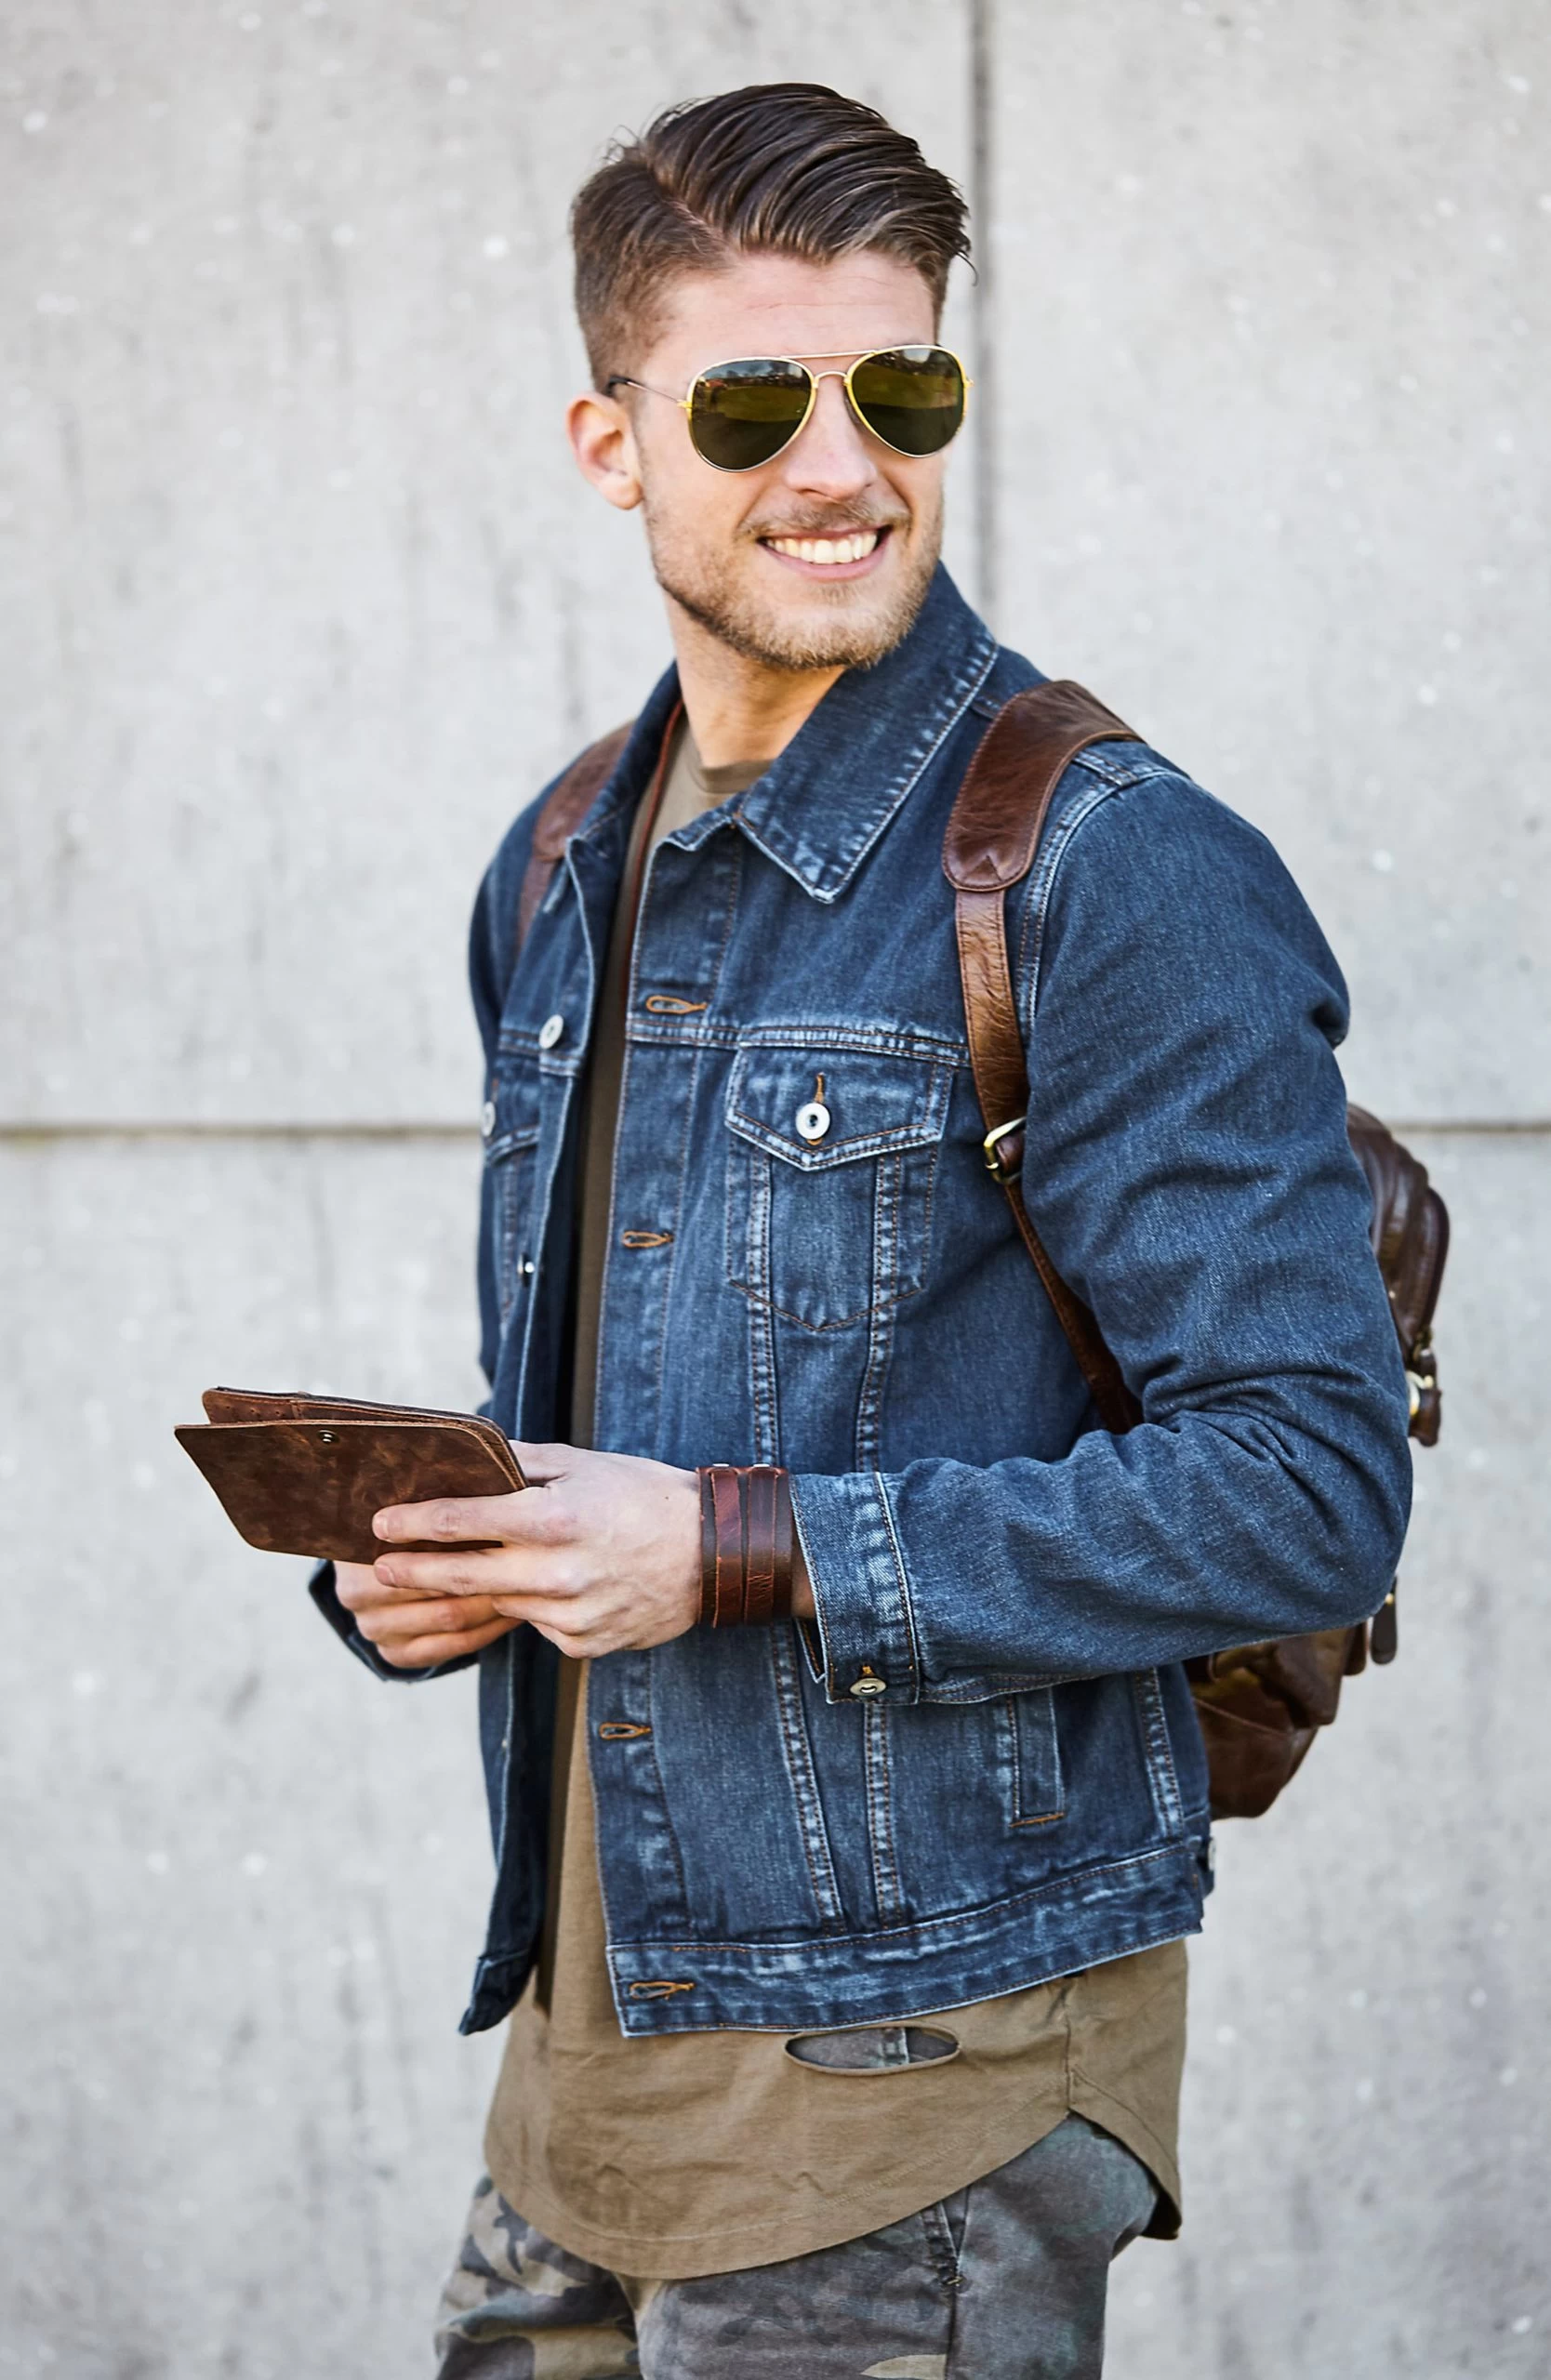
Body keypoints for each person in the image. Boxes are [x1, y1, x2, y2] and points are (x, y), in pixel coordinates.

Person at [311, 82, 1412, 2379]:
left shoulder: (1106, 867)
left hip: (923, 2082)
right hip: (586, 2047)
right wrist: (444, 1557)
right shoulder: (554, 865)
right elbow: (617, 1428)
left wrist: (727, 1540)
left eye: (901, 386)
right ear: (613, 446)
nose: (845, 463)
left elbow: (1311, 1488)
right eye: (752, 399)